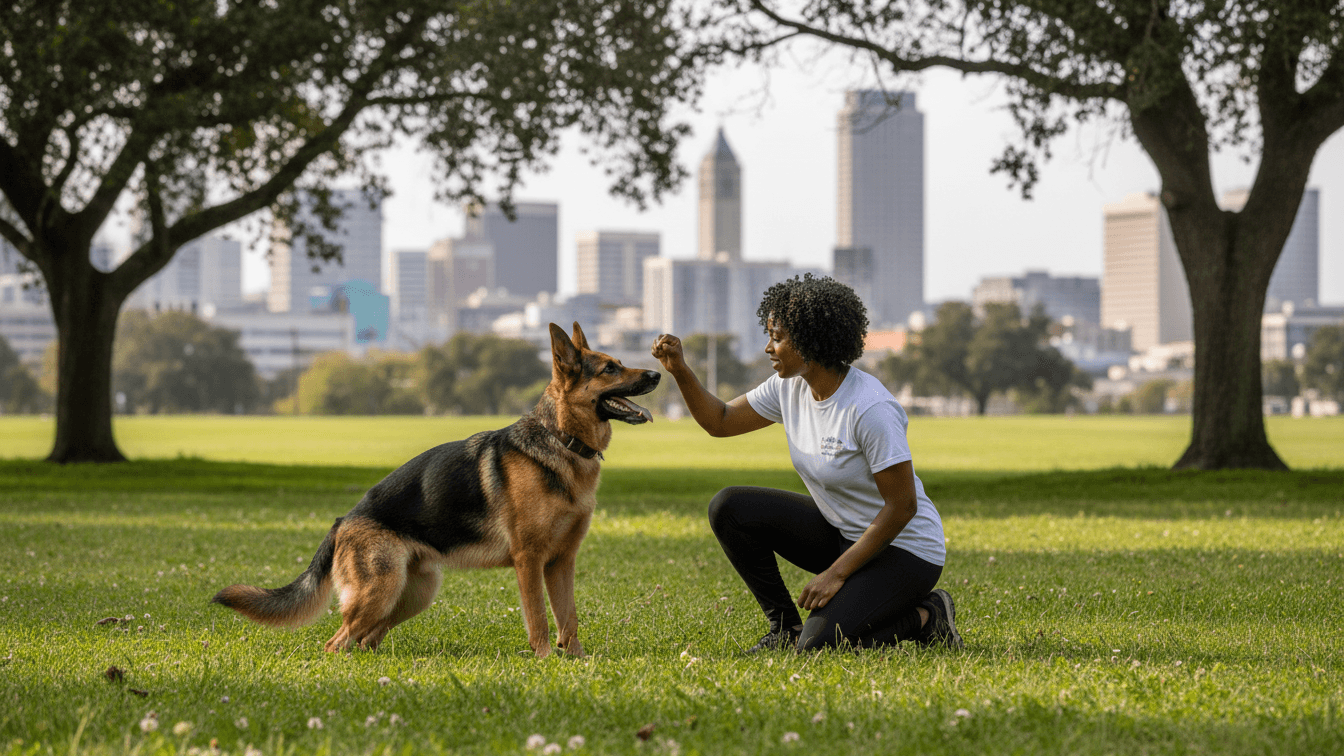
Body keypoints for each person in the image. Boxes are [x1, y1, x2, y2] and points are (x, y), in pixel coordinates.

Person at [650, 275, 959, 653]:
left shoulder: (870, 408)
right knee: (730, 507)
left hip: (904, 551)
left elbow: (903, 507)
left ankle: (929, 616)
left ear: (812, 340)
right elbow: (721, 422)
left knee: (818, 647)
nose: (768, 347)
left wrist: (836, 573)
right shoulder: (788, 386)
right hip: (843, 534)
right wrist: (680, 370)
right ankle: (783, 628)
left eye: (776, 337)